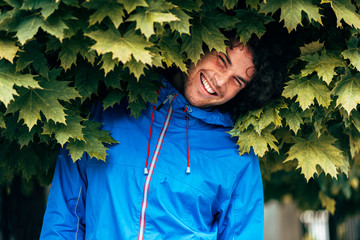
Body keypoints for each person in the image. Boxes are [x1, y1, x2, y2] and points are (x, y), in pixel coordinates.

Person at [40, 32, 285, 239]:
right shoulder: (110, 108)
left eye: (237, 81)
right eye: (221, 60)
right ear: (200, 43)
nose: (220, 81)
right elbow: (64, 218)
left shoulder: (238, 153)